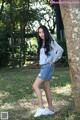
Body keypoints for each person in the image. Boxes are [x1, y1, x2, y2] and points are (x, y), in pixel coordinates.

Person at [32, 25, 64, 117]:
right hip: (43, 66)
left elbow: (60, 50)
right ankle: (50, 109)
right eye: (39, 32)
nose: (41, 34)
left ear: (45, 32)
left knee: (35, 85)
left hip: (47, 66)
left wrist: (54, 59)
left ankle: (41, 108)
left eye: (42, 32)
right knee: (46, 89)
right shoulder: (42, 42)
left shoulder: (50, 41)